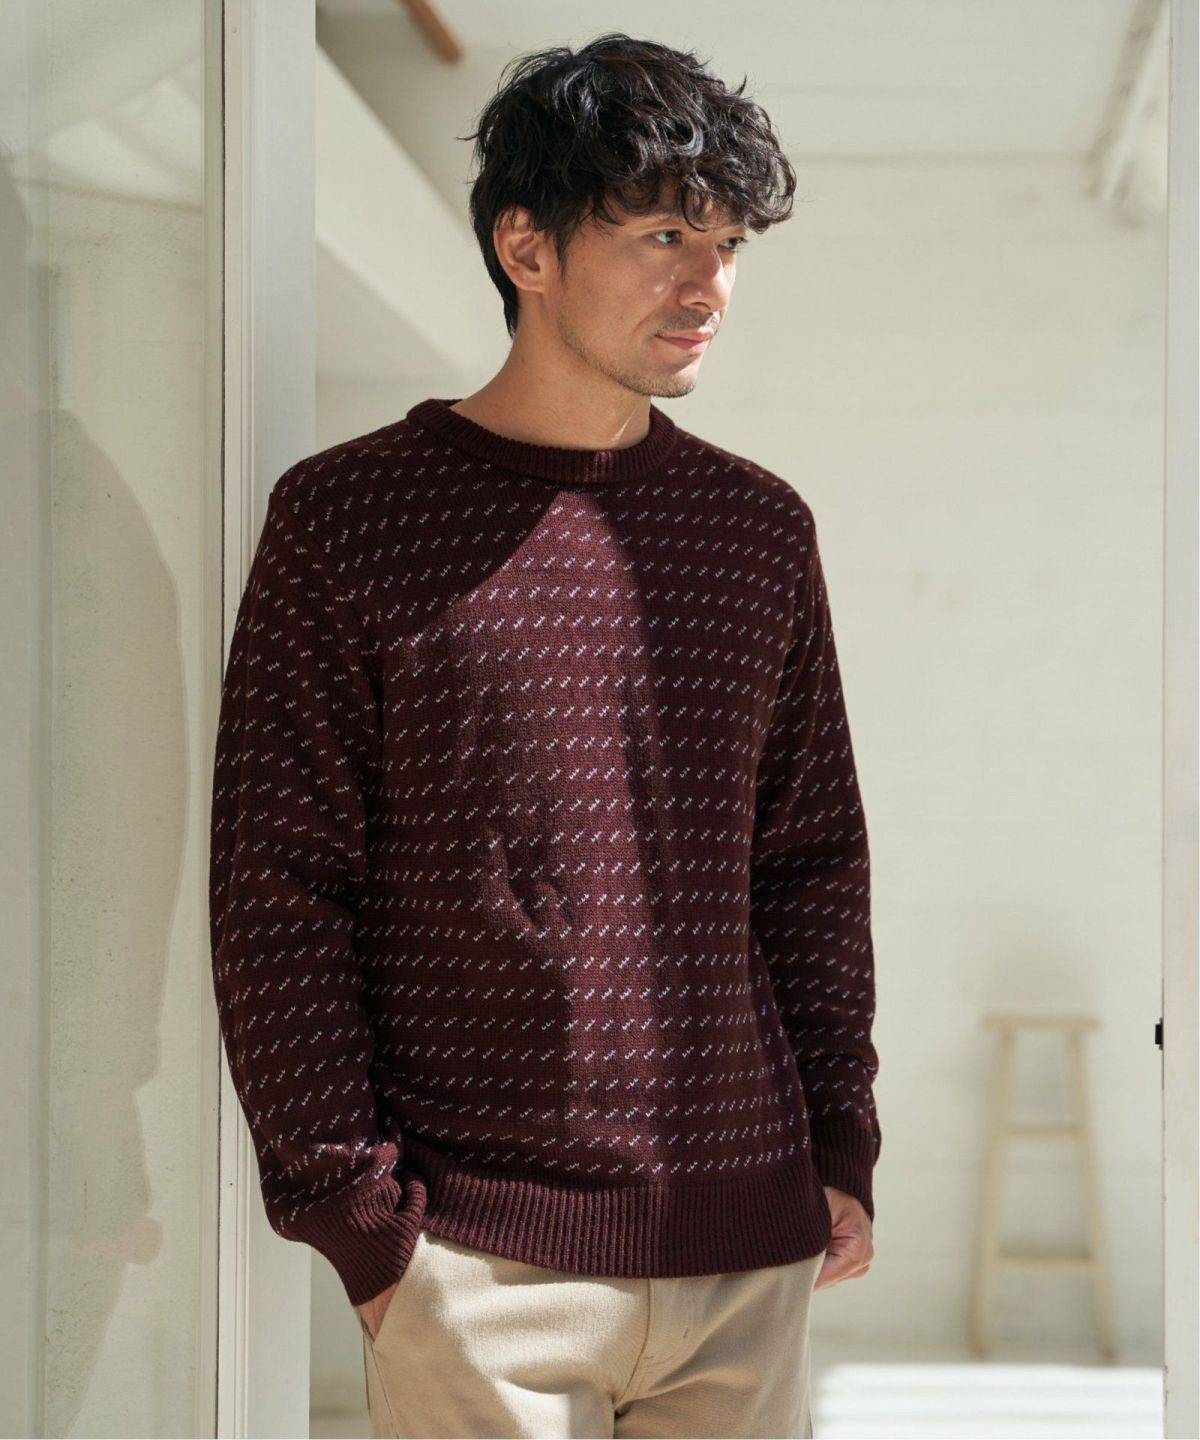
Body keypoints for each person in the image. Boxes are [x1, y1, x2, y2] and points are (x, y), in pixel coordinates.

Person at [208, 30, 881, 1440]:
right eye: (663, 237)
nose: (708, 285)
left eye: (729, 244)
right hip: (479, 1268)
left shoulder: (759, 531)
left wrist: (840, 1141)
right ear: (527, 247)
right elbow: (278, 885)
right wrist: (364, 1226)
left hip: (744, 1256)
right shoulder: (350, 520)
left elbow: (809, 862)